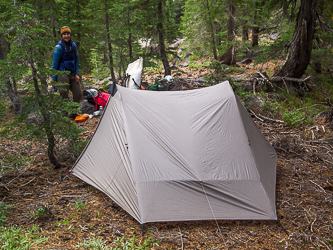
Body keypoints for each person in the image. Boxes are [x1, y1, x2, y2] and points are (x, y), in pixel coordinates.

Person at [52, 26, 82, 103]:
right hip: (62, 74)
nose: (66, 36)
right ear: (61, 35)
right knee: (64, 96)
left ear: (70, 35)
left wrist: (77, 73)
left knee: (78, 94)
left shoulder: (73, 45)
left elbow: (76, 59)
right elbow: (55, 64)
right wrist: (54, 79)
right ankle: (64, 114)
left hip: (72, 73)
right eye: (64, 34)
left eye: (68, 34)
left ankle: (73, 114)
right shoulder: (58, 47)